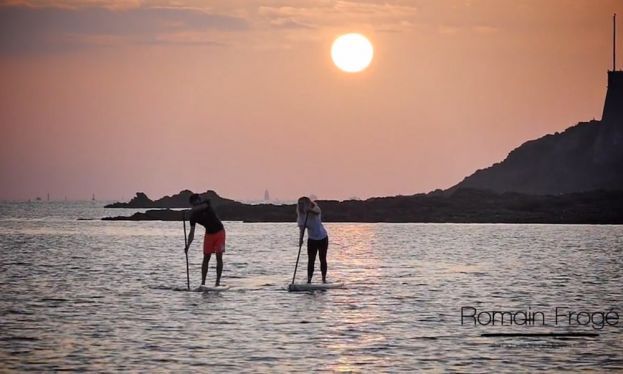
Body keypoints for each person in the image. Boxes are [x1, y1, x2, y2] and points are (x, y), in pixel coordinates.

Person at [184, 193, 226, 286]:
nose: (198, 202)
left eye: (199, 200)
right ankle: (203, 283)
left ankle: (217, 283)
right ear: (193, 203)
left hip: (219, 232)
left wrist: (190, 210)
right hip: (209, 234)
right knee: (206, 257)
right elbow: (191, 233)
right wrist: (188, 246)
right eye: (196, 202)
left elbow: (200, 207)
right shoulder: (193, 217)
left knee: (219, 256)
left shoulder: (206, 203)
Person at [297, 196, 329, 283]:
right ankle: (309, 280)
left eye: (302, 204)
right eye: (299, 204)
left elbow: (317, 212)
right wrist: (300, 239)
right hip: (312, 240)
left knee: (322, 258)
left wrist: (310, 210)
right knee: (311, 260)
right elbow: (302, 229)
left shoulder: (315, 208)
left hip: (323, 238)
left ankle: (323, 279)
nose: (300, 206)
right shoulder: (301, 216)